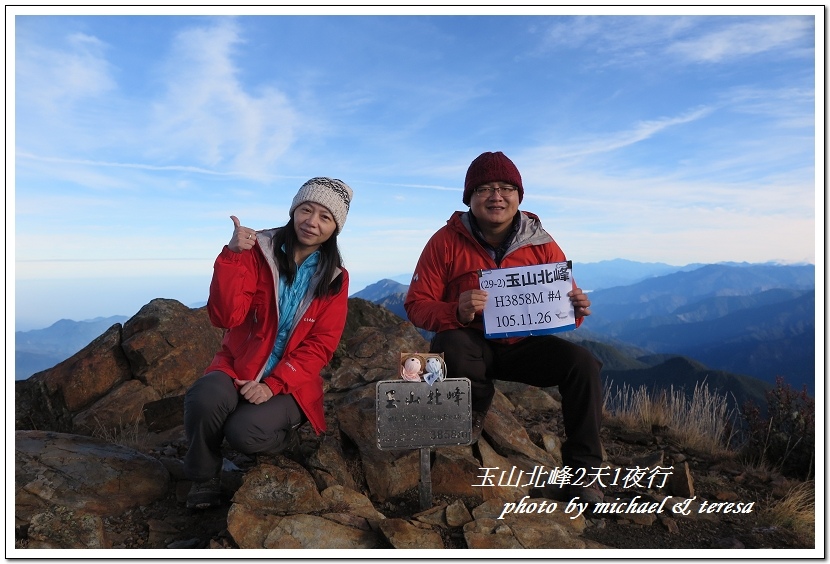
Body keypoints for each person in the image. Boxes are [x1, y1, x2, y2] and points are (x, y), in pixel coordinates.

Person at [403, 151, 604, 504]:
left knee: (583, 364)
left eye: (505, 187)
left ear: (518, 196)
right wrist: (457, 311)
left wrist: (577, 309)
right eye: (484, 188)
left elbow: (562, 303)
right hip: (470, 343)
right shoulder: (445, 241)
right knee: (451, 342)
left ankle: (584, 476)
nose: (496, 196)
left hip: (520, 347)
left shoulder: (541, 242)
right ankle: (474, 412)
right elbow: (416, 305)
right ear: (470, 198)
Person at [183, 177, 353, 510]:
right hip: (238, 364)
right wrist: (232, 258)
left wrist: (273, 386)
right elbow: (224, 317)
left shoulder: (335, 277)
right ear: (294, 210)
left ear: (335, 228)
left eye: (325, 217)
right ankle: (203, 477)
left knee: (245, 433)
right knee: (205, 397)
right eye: (306, 210)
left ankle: (288, 436)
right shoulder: (256, 250)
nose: (312, 222)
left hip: (290, 382)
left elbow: (320, 345)